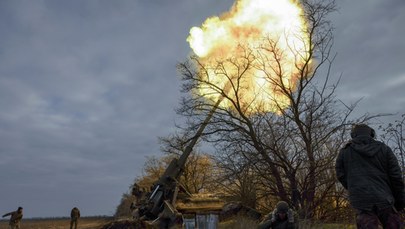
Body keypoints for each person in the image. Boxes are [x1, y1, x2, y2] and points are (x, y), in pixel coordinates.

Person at [336, 124, 405, 228]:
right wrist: (400, 201)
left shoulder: (344, 152)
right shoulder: (384, 149)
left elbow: (340, 175)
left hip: (361, 201)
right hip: (385, 199)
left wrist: (354, 187)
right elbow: (396, 177)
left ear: (353, 135)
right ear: (371, 134)